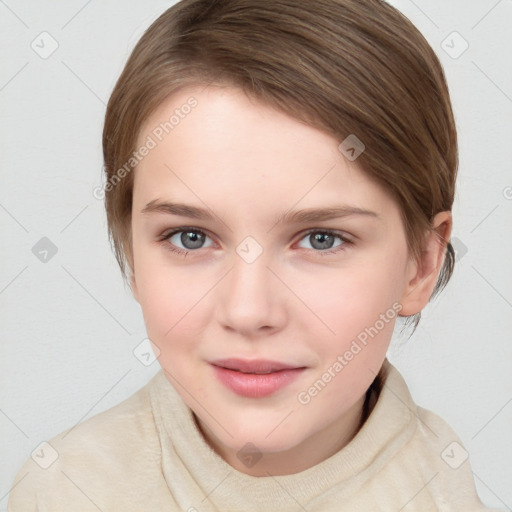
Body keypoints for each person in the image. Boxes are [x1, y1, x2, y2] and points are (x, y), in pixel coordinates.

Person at [8, 0, 504, 510]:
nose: (248, 311)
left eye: (321, 239)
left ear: (420, 264)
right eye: (190, 237)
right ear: (133, 256)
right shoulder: (64, 492)